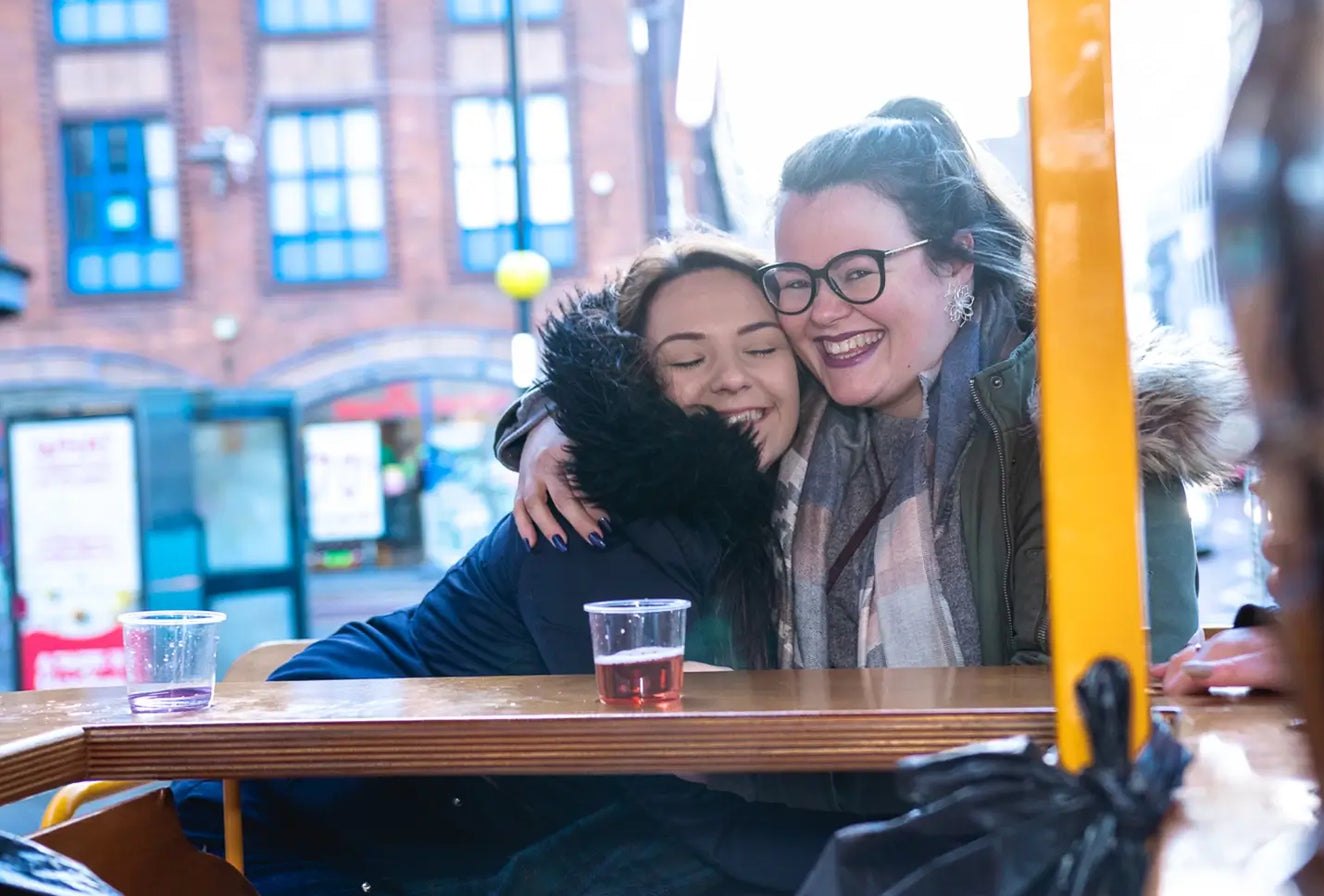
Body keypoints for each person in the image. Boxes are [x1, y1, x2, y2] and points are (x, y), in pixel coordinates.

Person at [171, 232, 861, 896]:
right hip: (310, 803)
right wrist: (901, 853)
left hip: (492, 811)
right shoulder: (591, 514)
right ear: (642, 382)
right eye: (687, 360)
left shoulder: (781, 486)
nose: (733, 378)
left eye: (761, 347)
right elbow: (686, 803)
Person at [498, 97, 1248, 673]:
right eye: (797, 281)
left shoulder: (1078, 427)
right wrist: (556, 414)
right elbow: (652, 318)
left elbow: (1125, 697)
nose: (823, 312)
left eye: (858, 273)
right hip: (798, 820)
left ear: (958, 259)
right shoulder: (799, 392)